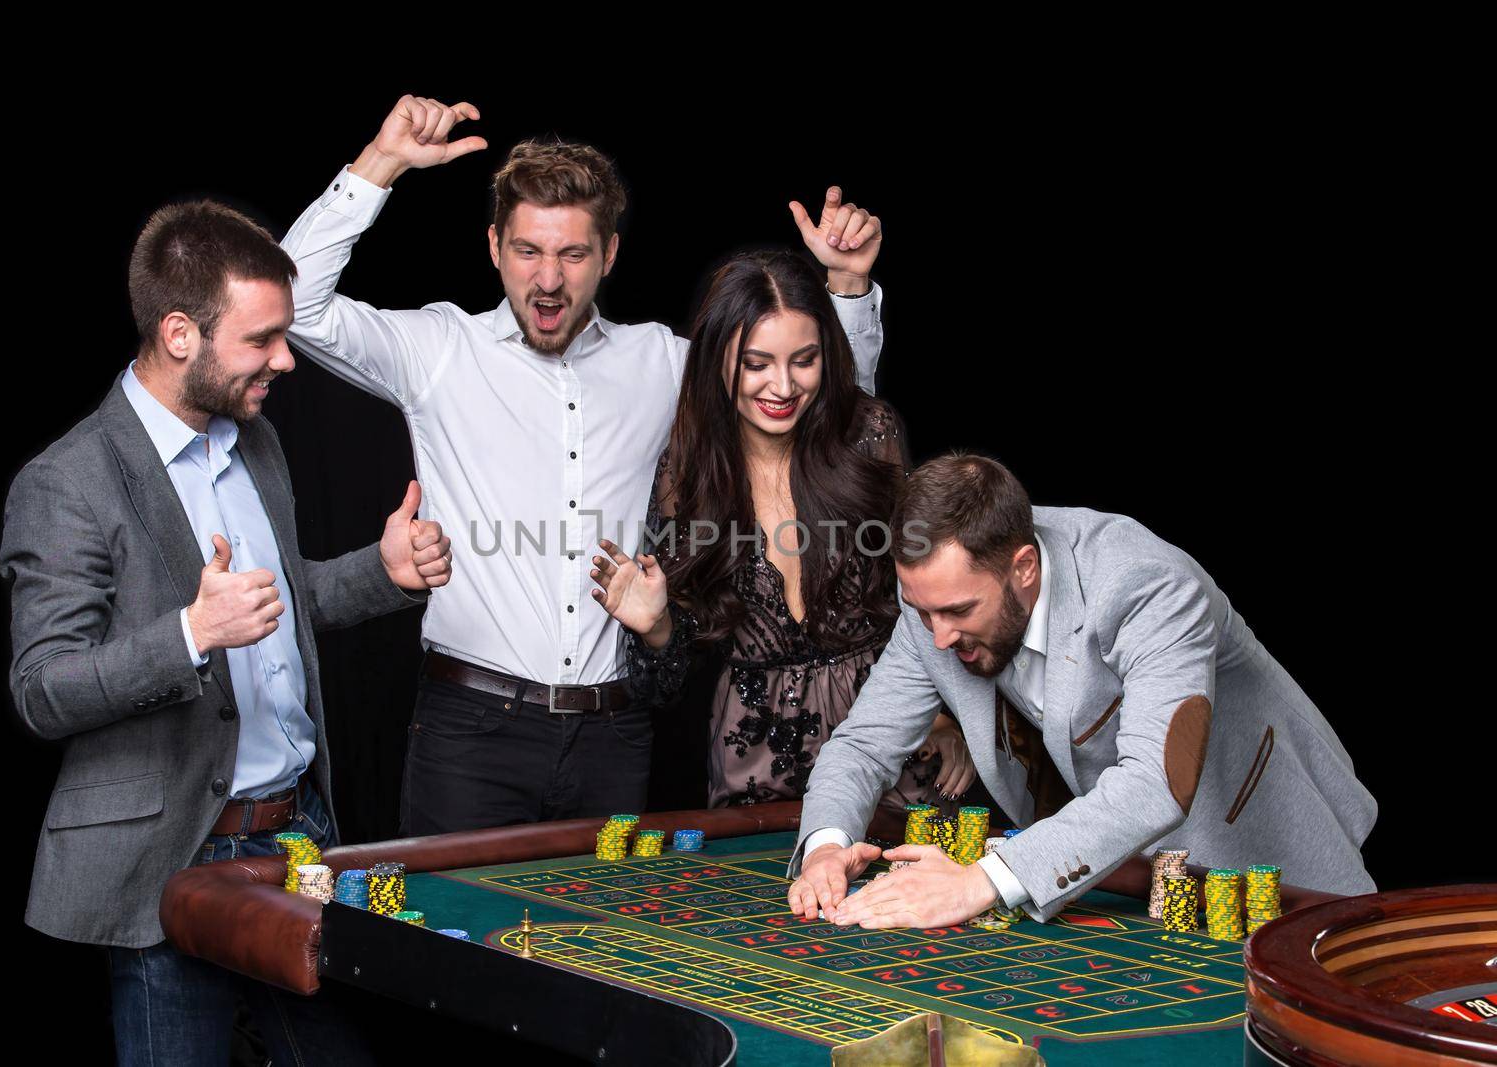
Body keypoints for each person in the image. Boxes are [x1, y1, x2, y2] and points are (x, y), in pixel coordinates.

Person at [280, 94, 890, 835]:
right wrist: (381, 163)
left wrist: (849, 291)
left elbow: (813, 403)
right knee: (453, 943)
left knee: (591, 948)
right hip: (472, 731)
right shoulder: (440, 350)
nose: (548, 279)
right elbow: (295, 306)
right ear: (494, 246)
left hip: (614, 732)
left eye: (572, 254)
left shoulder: (662, 363)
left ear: (609, 256)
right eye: (528, 251)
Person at [0, 200, 451, 1065]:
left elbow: (281, 604)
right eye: (262, 340)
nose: (286, 359)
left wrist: (380, 570)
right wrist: (189, 631)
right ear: (179, 334)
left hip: (297, 834)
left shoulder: (258, 442)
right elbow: (42, 689)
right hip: (171, 855)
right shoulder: (68, 481)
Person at [787, 454, 1377, 929]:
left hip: (1269, 850)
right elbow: (864, 746)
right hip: (1135, 880)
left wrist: (980, 881)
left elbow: (1155, 779)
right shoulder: (934, 610)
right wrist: (825, 848)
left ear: (1022, 568)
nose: (936, 637)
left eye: (958, 610)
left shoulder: (1144, 583)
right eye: (921, 611)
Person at [587, 249, 973, 813]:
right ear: (720, 359)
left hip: (888, 738)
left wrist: (937, 710)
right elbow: (662, 689)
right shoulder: (686, 472)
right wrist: (659, 629)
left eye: (804, 360)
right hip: (756, 762)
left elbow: (919, 598)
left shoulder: (869, 433)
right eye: (757, 362)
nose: (783, 385)